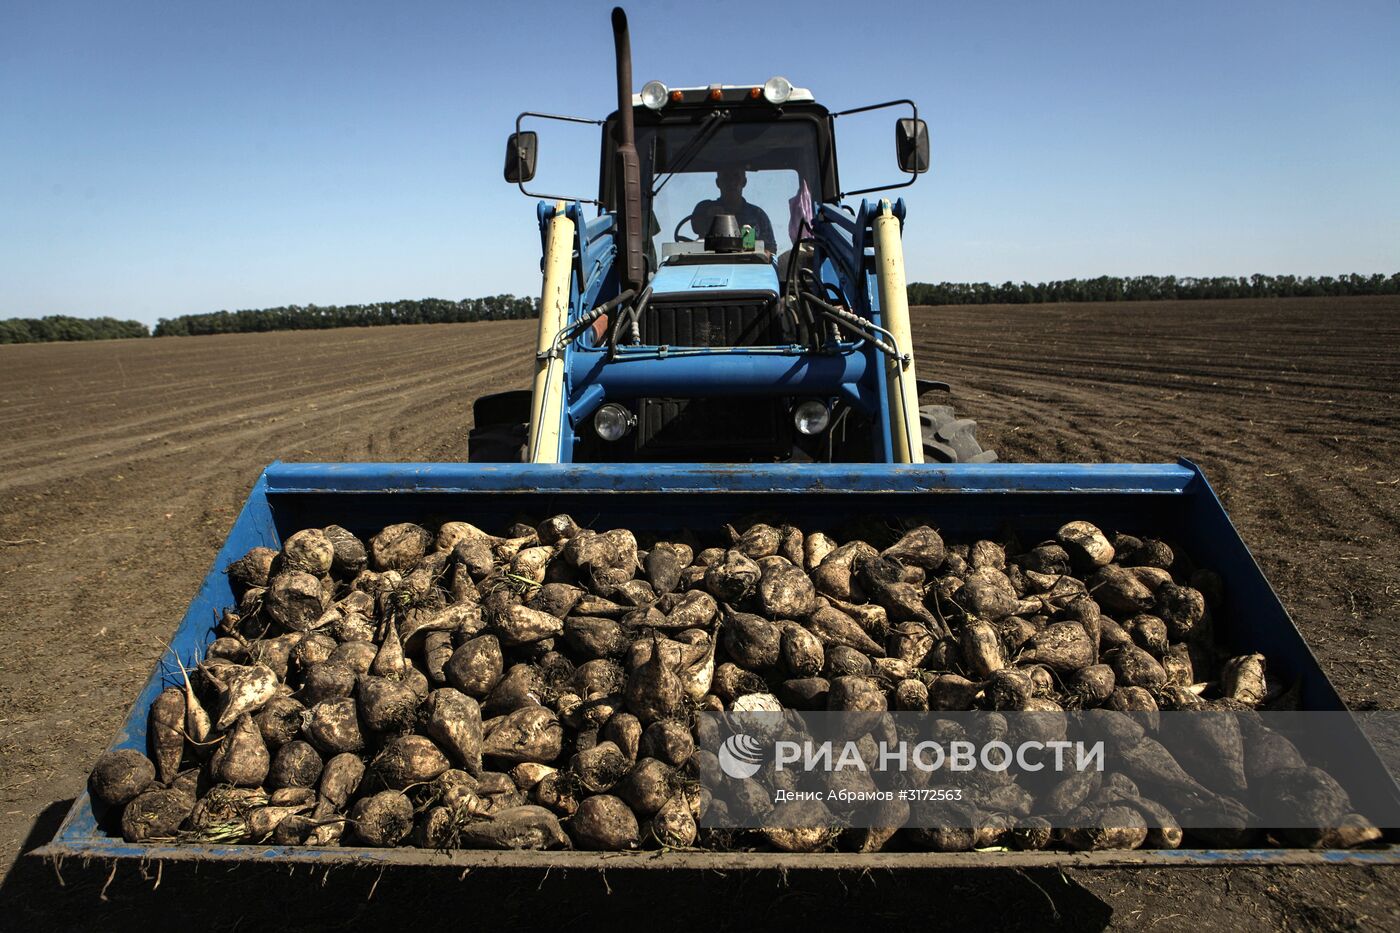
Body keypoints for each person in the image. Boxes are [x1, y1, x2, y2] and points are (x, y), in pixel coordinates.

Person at [690, 167, 776, 254]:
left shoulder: (758, 215)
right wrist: (708, 217)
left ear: (744, 182)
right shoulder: (704, 208)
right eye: (726, 177)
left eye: (736, 177)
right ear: (718, 183)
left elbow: (770, 250)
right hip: (709, 263)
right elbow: (696, 227)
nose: (731, 182)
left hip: (749, 265)